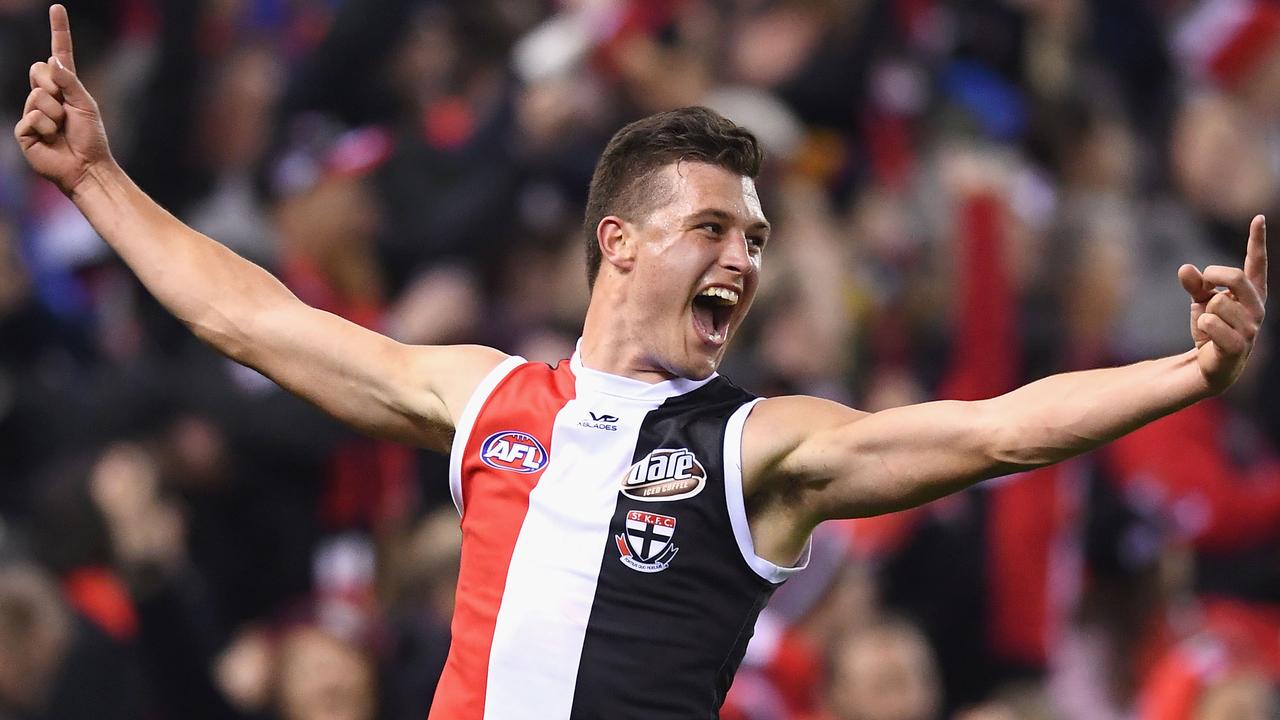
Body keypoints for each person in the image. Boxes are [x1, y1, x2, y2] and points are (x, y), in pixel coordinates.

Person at [13, 5, 1268, 719]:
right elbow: (254, 321)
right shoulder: (489, 396)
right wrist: (99, 182)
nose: (745, 260)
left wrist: (1181, 377)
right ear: (617, 241)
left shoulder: (749, 446)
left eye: (758, 239)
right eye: (713, 228)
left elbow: (994, 431)